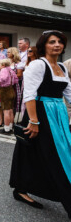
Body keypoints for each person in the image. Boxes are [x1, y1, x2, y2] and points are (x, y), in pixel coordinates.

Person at [10, 30, 71, 219]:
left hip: (58, 114)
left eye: (60, 41)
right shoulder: (38, 64)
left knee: (35, 152)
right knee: (56, 155)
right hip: (40, 113)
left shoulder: (62, 66)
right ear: (43, 44)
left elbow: (69, 93)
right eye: (52, 41)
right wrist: (34, 122)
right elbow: (29, 94)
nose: (57, 45)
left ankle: (21, 187)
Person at [0, 59, 18, 135]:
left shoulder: (4, 70)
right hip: (11, 89)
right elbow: (16, 80)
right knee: (10, 110)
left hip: (5, 91)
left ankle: (6, 129)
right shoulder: (10, 70)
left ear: (3, 65)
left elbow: (3, 78)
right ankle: (10, 127)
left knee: (6, 111)